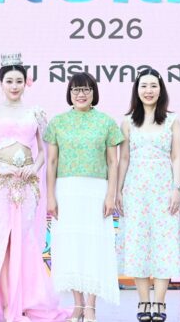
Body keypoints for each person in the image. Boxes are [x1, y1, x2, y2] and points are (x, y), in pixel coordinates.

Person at [0, 53, 69, 322]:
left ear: (26, 83)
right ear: (1, 83)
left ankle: (26, 303)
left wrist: (34, 168)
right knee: (1, 240)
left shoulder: (35, 112)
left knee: (24, 240)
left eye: (18, 81)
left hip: (26, 184)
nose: (14, 86)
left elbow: (45, 151)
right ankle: (2, 304)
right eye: (9, 81)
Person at [46, 71, 123, 322]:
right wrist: (50, 196)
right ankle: (77, 304)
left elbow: (113, 162)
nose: (81, 94)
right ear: (69, 93)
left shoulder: (106, 122)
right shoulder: (58, 123)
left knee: (94, 247)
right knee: (71, 247)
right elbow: (52, 162)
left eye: (86, 89)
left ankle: (91, 306)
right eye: (76, 89)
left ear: (94, 93)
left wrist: (111, 194)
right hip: (66, 191)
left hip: (96, 192)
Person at [116, 68, 180, 322]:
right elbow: (124, 158)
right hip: (135, 190)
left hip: (164, 189)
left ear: (161, 90)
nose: (149, 91)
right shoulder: (127, 121)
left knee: (164, 244)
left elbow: (177, 156)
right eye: (144, 86)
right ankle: (143, 300)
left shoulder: (172, 120)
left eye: (153, 86)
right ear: (137, 90)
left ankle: (159, 301)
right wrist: (118, 191)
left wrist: (177, 188)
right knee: (138, 243)